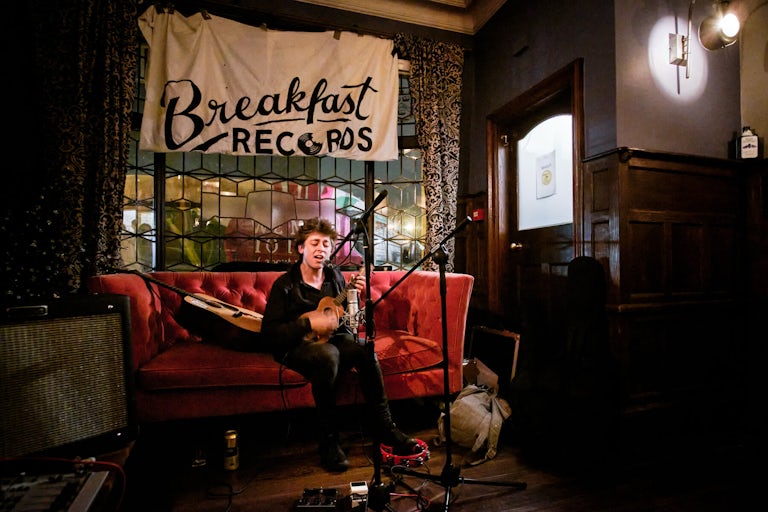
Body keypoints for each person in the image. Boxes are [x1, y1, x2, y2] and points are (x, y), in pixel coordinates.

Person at [261, 217, 418, 472]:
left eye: (326, 243)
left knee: (365, 350)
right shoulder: (285, 284)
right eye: (314, 243)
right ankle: (329, 440)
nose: (320, 248)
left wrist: (352, 296)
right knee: (329, 355)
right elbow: (269, 334)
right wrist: (307, 324)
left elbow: (339, 317)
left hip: (330, 340)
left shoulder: (334, 276)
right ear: (301, 248)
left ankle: (386, 428)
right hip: (296, 346)